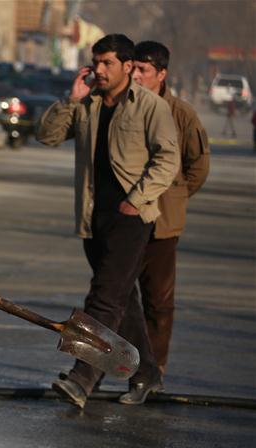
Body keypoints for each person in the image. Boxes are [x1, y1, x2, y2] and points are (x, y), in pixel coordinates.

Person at [36, 34, 179, 409]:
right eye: (95, 63)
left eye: (107, 63)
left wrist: (137, 198)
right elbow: (47, 136)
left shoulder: (150, 107)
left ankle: (84, 377)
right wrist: (71, 99)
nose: (99, 70)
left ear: (128, 67)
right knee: (122, 301)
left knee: (103, 297)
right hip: (92, 218)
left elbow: (168, 159)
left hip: (132, 219)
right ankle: (148, 372)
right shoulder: (88, 104)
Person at [118, 41, 210, 404]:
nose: (136, 76)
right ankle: (135, 369)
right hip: (126, 220)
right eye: (134, 69)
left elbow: (197, 167)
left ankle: (153, 374)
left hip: (162, 224)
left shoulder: (181, 113)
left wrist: (174, 198)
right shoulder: (122, 106)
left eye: (144, 70)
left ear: (162, 74)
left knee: (159, 301)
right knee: (119, 297)